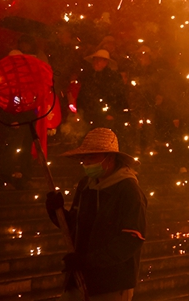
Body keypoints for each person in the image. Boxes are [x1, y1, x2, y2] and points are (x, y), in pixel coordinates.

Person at [44, 128, 146, 300]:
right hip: (78, 281)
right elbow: (75, 228)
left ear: (110, 158)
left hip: (111, 285)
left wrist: (88, 261)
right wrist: (56, 212)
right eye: (84, 158)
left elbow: (130, 240)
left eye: (92, 157)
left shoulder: (129, 190)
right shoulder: (86, 185)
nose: (86, 162)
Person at [76, 49, 129, 134]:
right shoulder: (88, 76)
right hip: (89, 115)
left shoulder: (112, 77)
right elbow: (83, 95)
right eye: (95, 60)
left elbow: (118, 96)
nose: (96, 62)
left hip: (105, 117)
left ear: (106, 62)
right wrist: (80, 111)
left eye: (99, 60)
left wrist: (111, 113)